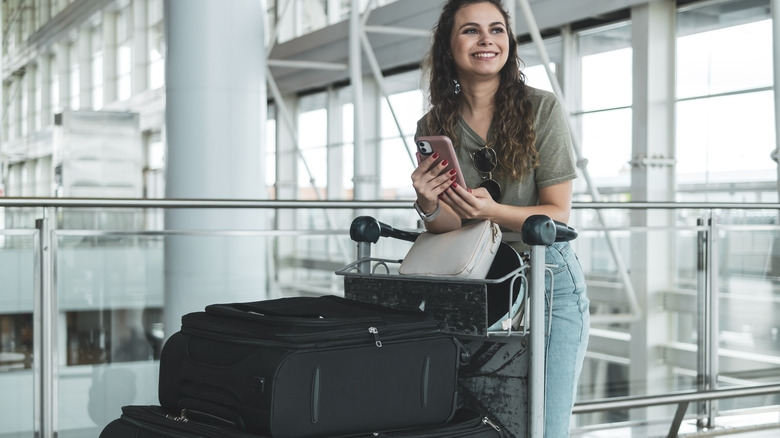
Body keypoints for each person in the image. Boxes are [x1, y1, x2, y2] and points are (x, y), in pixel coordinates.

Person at [410, 0, 590, 436]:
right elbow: (449, 228)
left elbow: (556, 212)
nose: (487, 39)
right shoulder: (433, 124)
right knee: (484, 423)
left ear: (509, 42)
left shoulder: (540, 109)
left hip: (547, 284)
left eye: (496, 30)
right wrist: (428, 204)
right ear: (448, 46)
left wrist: (491, 211)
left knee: (542, 427)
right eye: (471, 31)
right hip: (479, 285)